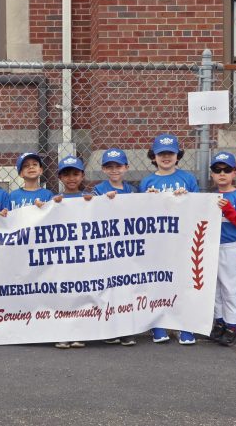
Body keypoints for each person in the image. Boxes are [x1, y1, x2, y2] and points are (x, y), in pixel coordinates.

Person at [139, 133, 198, 345]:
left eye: (170, 153)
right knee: (157, 281)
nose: (166, 157)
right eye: (161, 154)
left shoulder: (188, 179)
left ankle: (185, 325)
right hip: (157, 242)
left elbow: (198, 208)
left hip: (181, 239)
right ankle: (158, 322)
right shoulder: (147, 181)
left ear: (177, 155)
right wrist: (149, 198)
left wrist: (187, 198)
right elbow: (139, 214)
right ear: (153, 156)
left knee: (183, 281)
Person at [93, 148, 138, 346]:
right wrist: (101, 201)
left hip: (126, 247)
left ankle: (126, 328)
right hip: (106, 246)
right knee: (107, 287)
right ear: (103, 169)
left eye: (118, 166)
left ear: (126, 167)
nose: (114, 170)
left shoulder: (131, 191)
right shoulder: (98, 189)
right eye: (109, 167)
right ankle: (109, 328)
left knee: (125, 288)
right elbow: (89, 210)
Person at [207, 152, 236, 346]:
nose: (222, 174)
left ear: (235, 172)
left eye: (226, 170)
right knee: (213, 288)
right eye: (217, 170)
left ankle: (232, 325)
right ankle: (219, 322)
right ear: (212, 174)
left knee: (229, 287)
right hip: (210, 247)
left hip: (229, 248)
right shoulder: (209, 196)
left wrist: (229, 210)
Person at [52, 155, 91, 348]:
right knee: (63, 293)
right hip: (62, 256)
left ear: (82, 175)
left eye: (76, 174)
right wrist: (50, 206)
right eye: (66, 174)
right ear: (60, 178)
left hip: (83, 255)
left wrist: (102, 202)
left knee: (83, 292)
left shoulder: (91, 199)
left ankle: (80, 331)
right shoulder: (55, 200)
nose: (71, 178)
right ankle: (63, 331)